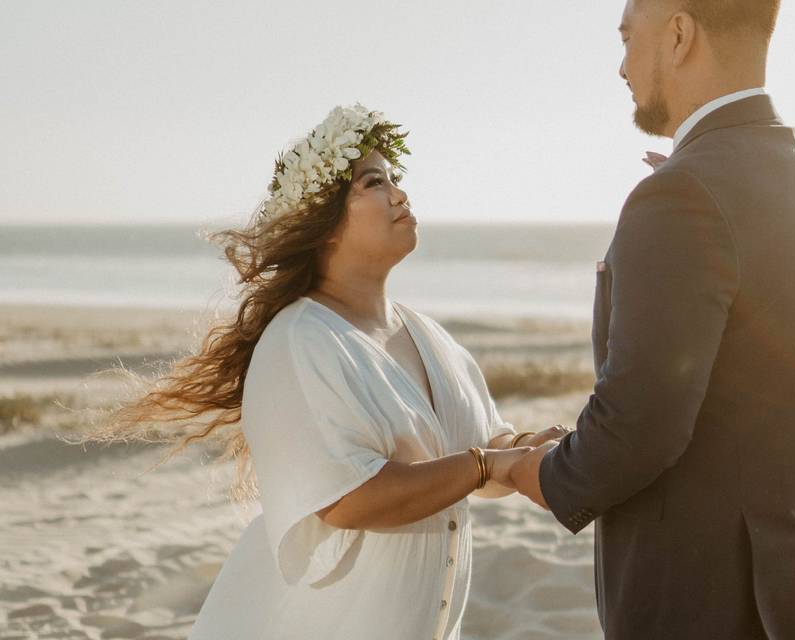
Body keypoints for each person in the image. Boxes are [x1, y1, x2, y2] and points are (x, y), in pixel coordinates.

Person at [83, 103, 567, 640]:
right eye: (374, 182)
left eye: (396, 179)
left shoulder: (430, 336)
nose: (401, 195)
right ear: (324, 225)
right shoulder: (300, 341)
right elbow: (351, 498)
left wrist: (525, 451)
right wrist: (490, 464)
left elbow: (482, 451)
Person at [509, 1, 795, 639]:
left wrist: (538, 470)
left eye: (627, 37)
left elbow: (641, 426)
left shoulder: (683, 195)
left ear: (678, 34)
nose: (621, 66)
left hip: (701, 600)